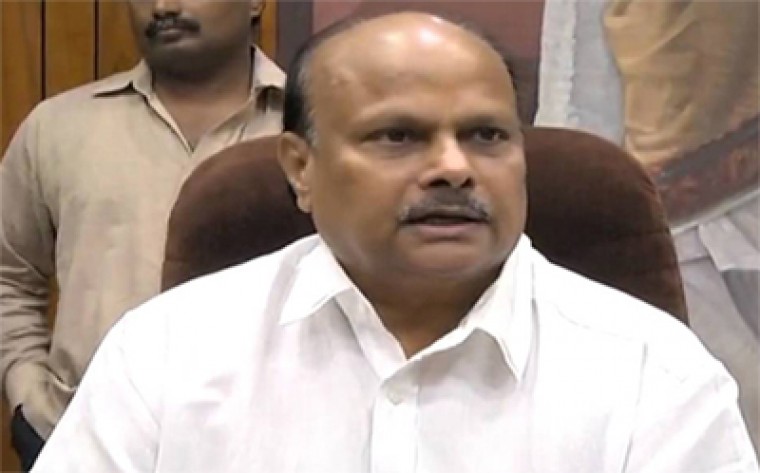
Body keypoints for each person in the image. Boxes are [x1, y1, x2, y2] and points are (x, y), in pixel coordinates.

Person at [31, 12, 758, 472]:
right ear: (302, 168)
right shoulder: (168, 352)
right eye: (398, 136)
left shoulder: (653, 373)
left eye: (487, 136)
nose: (453, 167)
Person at [0, 0, 284, 469]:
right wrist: (28, 398)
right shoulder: (58, 128)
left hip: (268, 446)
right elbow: (10, 275)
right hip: (85, 443)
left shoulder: (314, 134)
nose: (162, 6)